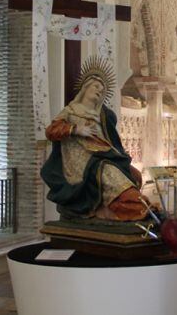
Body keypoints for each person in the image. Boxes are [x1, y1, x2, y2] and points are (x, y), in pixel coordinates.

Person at [41, 56, 148, 221]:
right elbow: (51, 131)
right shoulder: (71, 111)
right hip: (82, 163)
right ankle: (133, 209)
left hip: (103, 156)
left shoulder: (103, 116)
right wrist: (75, 129)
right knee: (109, 172)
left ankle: (123, 209)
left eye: (102, 90)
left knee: (133, 174)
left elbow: (111, 142)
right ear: (85, 88)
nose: (99, 90)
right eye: (96, 86)